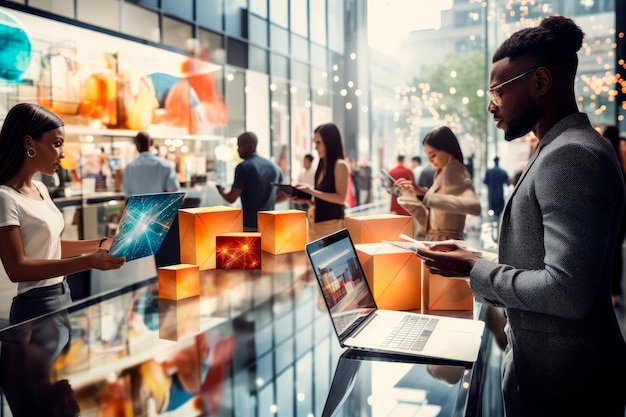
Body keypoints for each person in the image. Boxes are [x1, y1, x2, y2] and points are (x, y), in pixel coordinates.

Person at [416, 16, 626, 417]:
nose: (491, 105)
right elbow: (549, 262)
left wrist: (474, 270)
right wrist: (475, 257)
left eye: (498, 91)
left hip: (566, 386)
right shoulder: (561, 147)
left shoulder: (571, 155)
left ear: (541, 82)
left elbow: (565, 291)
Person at [0, 103, 126, 324]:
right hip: (34, 306)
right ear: (29, 142)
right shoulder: (5, 197)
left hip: (62, 295)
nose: (63, 154)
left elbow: (51, 246)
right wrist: (89, 261)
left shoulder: (40, 188)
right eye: (57, 144)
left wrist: (102, 243)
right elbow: (17, 268)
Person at [395, 126, 481, 241]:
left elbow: (474, 206)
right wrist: (414, 197)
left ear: (447, 149)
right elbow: (432, 222)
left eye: (433, 155)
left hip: (445, 246)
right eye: (428, 156)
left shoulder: (454, 170)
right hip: (438, 244)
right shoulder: (442, 172)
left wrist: (426, 196)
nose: (430, 160)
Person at [217, 131, 285, 231]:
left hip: (250, 225)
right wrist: (267, 201)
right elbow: (284, 196)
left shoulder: (243, 167)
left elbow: (231, 198)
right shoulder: (275, 168)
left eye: (240, 146)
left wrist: (221, 191)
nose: (237, 150)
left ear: (250, 146)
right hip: (270, 224)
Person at [292, 123, 349, 242]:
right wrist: (307, 200)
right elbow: (324, 198)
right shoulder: (321, 165)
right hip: (315, 222)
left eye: (318, 143)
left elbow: (340, 198)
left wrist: (311, 191)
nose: (315, 147)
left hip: (331, 225)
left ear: (329, 143)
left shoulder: (340, 165)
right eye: (315, 142)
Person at [603, 125, 626, 307]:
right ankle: (615, 292)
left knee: (612, 249)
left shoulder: (608, 150)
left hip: (614, 206)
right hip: (623, 206)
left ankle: (613, 291)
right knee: (616, 248)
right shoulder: (623, 148)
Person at [122, 131, 180, 198]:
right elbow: (173, 189)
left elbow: (127, 195)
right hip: (160, 207)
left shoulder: (129, 168)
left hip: (139, 208)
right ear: (151, 143)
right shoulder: (166, 166)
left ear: (136, 144)